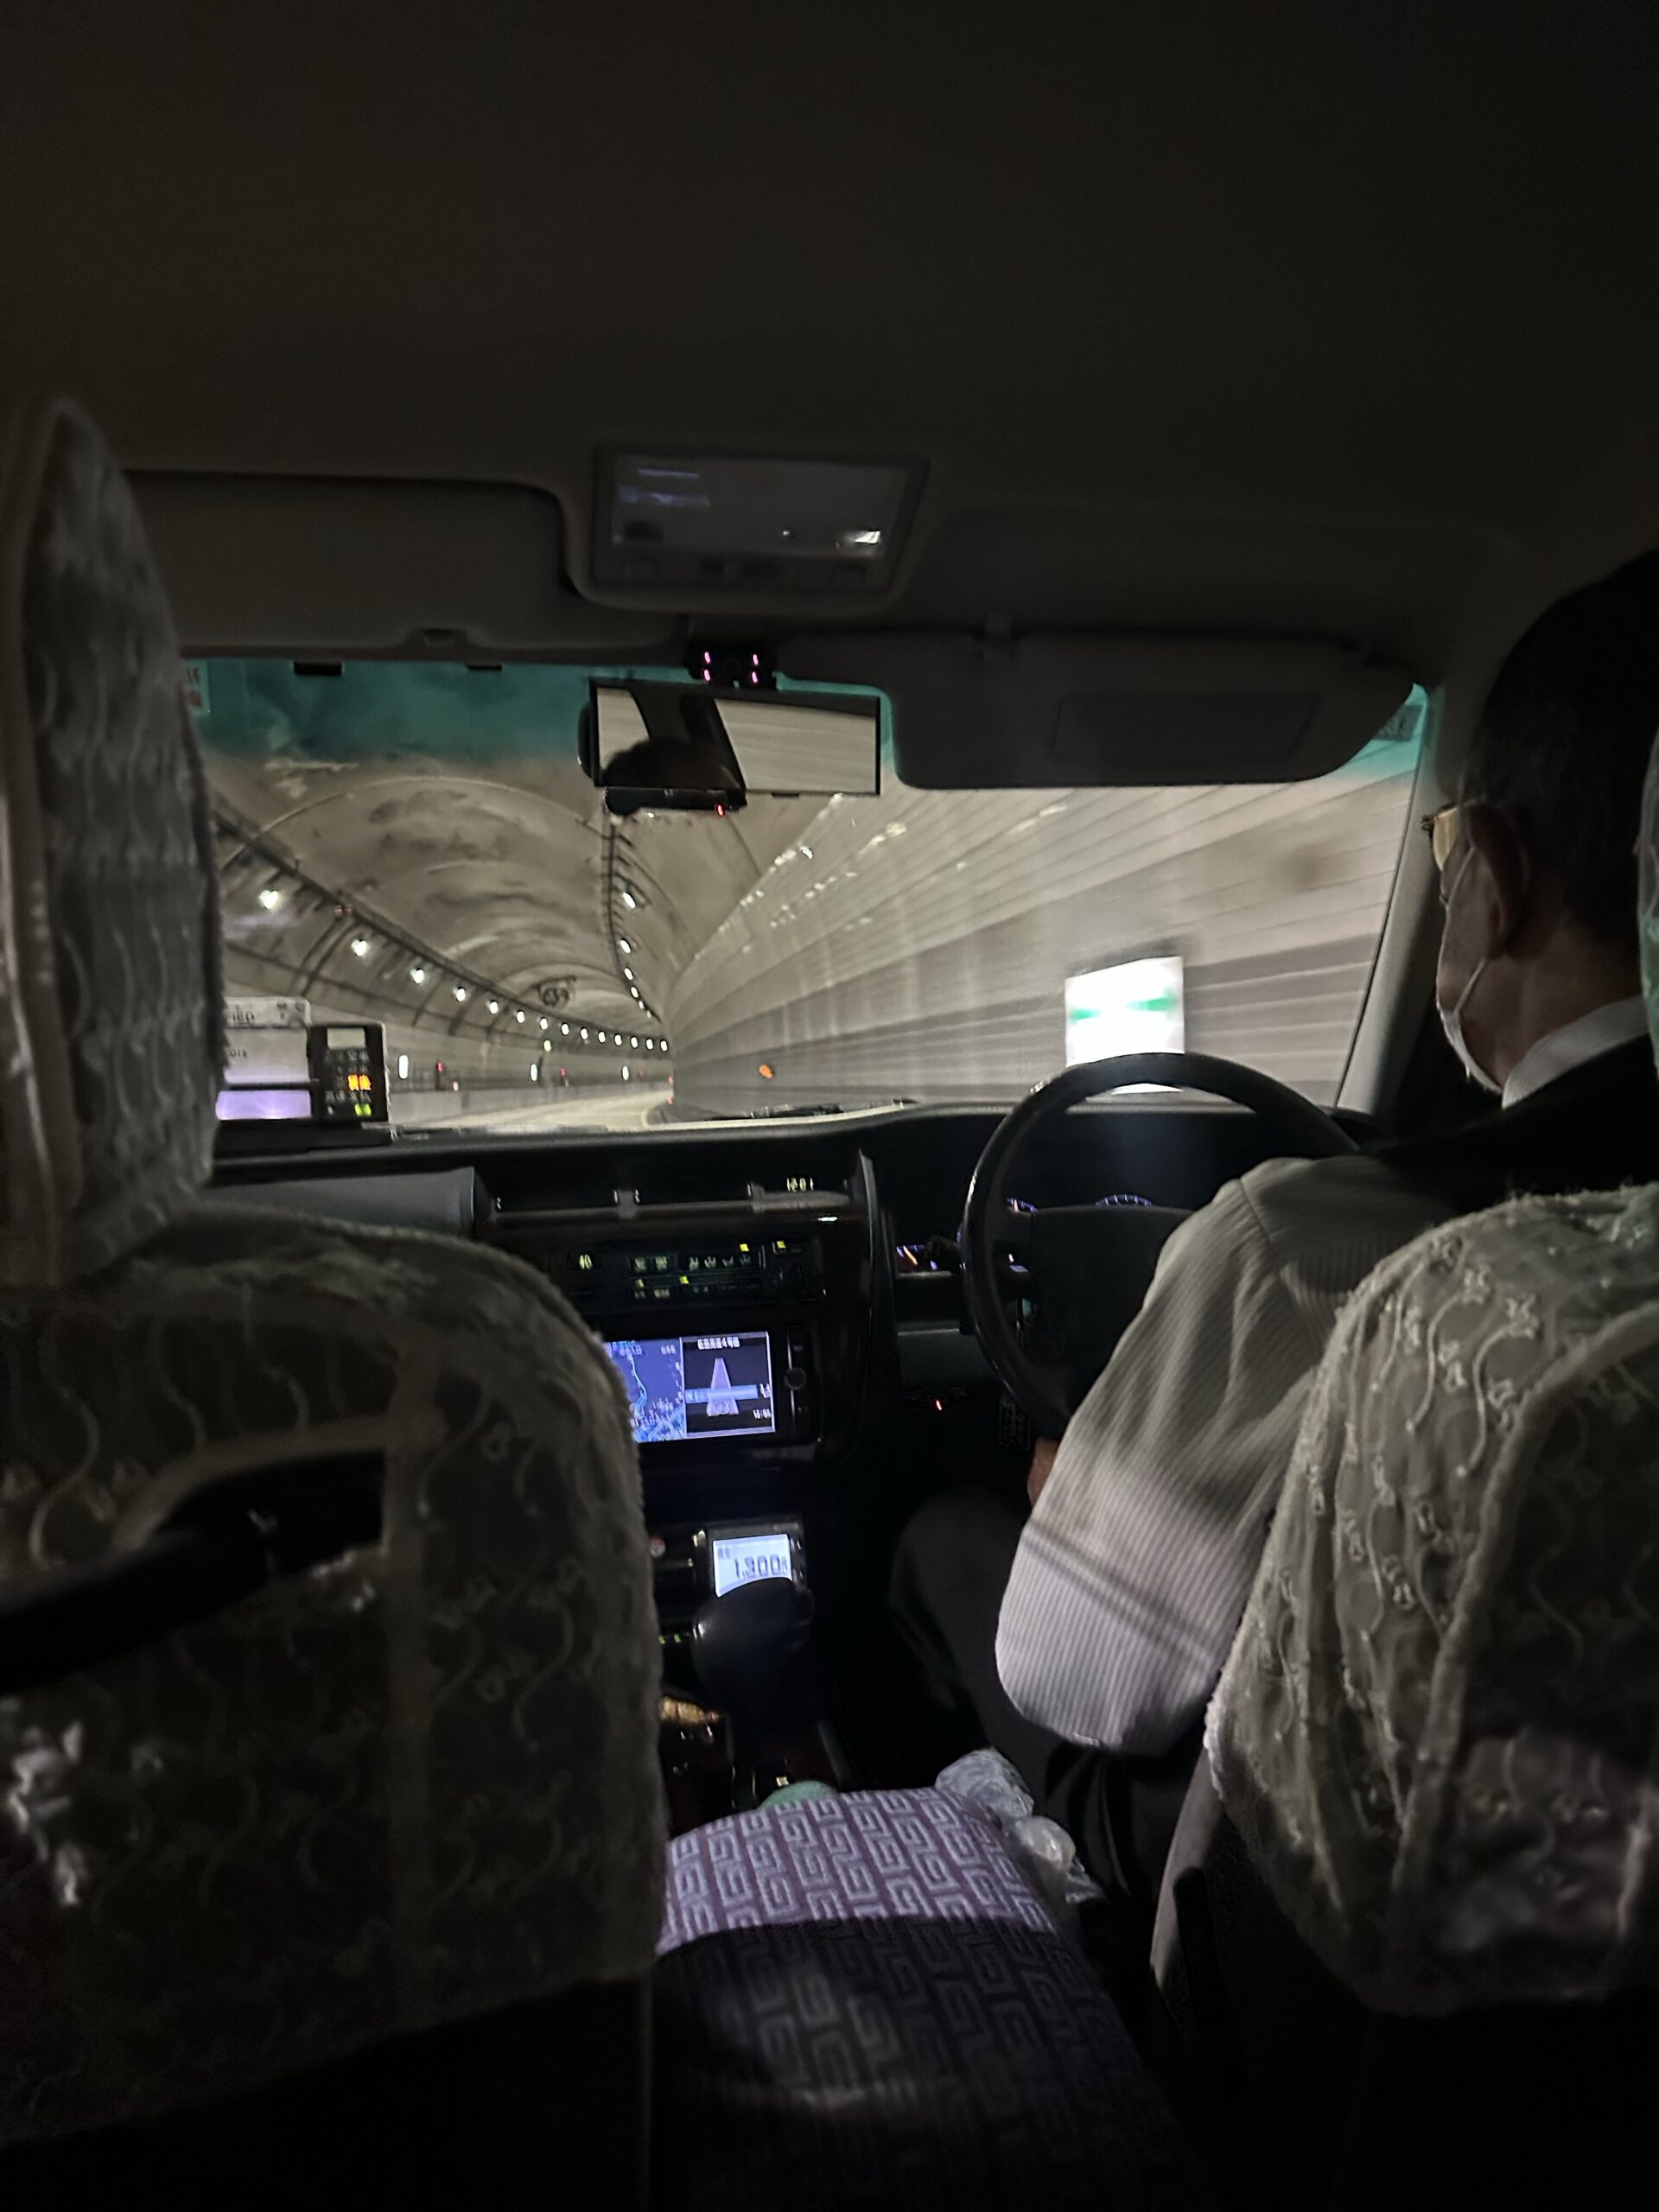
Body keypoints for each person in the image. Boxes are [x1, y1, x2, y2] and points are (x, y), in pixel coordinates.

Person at [891, 550, 1659, 1912]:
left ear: (1493, 874)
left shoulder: (1304, 1244)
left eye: (1444, 847)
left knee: (945, 1544)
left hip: (1301, 1941)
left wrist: (1070, 1497)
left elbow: (1078, 1681)